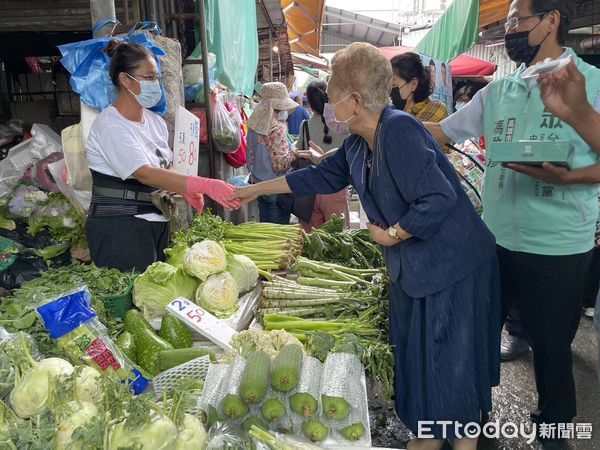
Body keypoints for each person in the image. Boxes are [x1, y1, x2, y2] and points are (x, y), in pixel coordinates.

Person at [233, 42, 501, 450]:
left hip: (452, 267)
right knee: (424, 359)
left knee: (451, 361)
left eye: (333, 88)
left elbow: (437, 199)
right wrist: (254, 190)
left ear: (353, 100)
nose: (327, 99)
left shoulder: (400, 130)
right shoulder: (359, 144)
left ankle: (458, 443)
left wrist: (391, 234)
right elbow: (317, 178)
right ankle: (432, 436)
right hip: (415, 269)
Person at [424, 2, 600, 448]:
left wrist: (572, 174)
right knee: (481, 335)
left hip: (559, 243)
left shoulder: (592, 85)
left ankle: (554, 428)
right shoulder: (499, 92)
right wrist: (382, 123)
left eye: (517, 22)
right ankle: (473, 420)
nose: (510, 33)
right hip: (495, 240)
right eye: (507, 25)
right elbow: (444, 133)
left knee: (553, 346)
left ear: (552, 20)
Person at [85, 40, 239, 273]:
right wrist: (205, 184)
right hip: (121, 226)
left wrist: (186, 189)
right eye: (148, 77)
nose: (155, 84)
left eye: (156, 77)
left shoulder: (155, 122)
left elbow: (164, 167)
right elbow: (144, 173)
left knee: (156, 289)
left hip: (156, 220)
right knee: (134, 297)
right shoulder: (110, 125)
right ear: (125, 80)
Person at [536, 58, 600, 383]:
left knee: (555, 338)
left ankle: (554, 421)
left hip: (570, 238)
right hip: (514, 236)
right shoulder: (508, 89)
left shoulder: (592, 83)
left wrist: (578, 113)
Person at [293, 80, 350, 232]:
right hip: (336, 187)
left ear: (310, 104)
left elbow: (298, 151)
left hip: (310, 190)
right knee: (338, 241)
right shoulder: (345, 125)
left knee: (312, 241)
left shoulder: (305, 126)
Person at [246, 82, 300, 224]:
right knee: (278, 235)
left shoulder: (253, 125)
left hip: (259, 186)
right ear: (277, 108)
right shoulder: (275, 128)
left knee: (266, 230)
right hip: (276, 188)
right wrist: (295, 153)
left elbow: (249, 158)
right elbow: (280, 165)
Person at [390, 52, 448, 123]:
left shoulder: (435, 108)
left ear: (413, 84)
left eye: (393, 85)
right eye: (386, 86)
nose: (388, 91)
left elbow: (410, 131)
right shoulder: (390, 111)